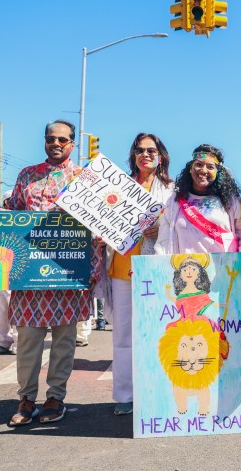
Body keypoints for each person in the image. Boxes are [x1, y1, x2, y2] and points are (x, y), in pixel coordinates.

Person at [7, 119, 100, 426]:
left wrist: (92, 270)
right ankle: (26, 398)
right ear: (45, 141)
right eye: (51, 138)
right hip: (30, 277)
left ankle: (55, 397)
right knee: (28, 340)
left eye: (63, 139)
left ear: (72, 143)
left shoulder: (85, 178)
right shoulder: (26, 176)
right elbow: (14, 220)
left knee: (64, 340)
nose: (56, 143)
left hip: (68, 275)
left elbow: (97, 226)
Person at [96, 132, 174, 416]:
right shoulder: (119, 186)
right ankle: (126, 395)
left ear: (161, 155)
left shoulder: (173, 189)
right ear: (133, 155)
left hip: (156, 266)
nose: (146, 154)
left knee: (158, 332)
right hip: (121, 269)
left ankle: (158, 390)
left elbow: (179, 223)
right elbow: (100, 220)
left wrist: (162, 227)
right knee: (124, 335)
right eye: (140, 150)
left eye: (151, 150)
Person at [155, 143, 241, 255]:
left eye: (210, 167)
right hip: (186, 270)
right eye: (199, 164)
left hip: (223, 270)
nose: (203, 171)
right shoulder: (174, 201)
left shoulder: (230, 201)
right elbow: (164, 240)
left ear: (218, 172)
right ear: (190, 168)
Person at [0, 190, 17, 355]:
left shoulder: (25, 216)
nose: (12, 203)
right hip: (3, 265)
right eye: (10, 200)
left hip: (21, 265)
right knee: (4, 303)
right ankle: (4, 340)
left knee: (17, 303)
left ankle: (16, 341)